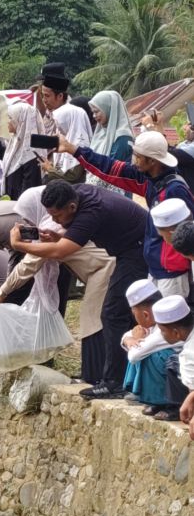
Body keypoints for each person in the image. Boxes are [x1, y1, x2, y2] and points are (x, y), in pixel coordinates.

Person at [10, 180, 148, 399]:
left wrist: (18, 245)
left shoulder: (91, 211)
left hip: (138, 249)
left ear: (71, 208)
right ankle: (130, 376)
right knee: (126, 313)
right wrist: (59, 237)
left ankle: (114, 383)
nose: (54, 221)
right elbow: (69, 241)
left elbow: (58, 252)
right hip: (127, 249)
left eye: (57, 216)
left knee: (112, 313)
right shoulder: (77, 195)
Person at [0, 185, 115, 385]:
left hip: (103, 270)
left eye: (28, 217)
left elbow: (28, 265)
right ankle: (100, 375)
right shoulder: (54, 225)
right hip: (99, 269)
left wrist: (2, 292)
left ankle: (95, 377)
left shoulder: (52, 224)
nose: (28, 223)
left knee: (92, 321)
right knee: (102, 320)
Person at [58, 130, 194, 297]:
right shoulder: (149, 179)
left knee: (172, 319)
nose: (133, 160)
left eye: (137, 156)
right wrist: (75, 150)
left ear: (152, 161)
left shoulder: (175, 189)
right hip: (156, 266)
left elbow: (188, 233)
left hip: (173, 271)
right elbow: (112, 168)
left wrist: (176, 263)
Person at [121, 280, 182, 417]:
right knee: (144, 351)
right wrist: (129, 339)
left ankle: (172, 404)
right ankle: (156, 401)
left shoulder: (163, 328)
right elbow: (129, 335)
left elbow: (134, 356)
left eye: (135, 314)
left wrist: (134, 341)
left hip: (184, 370)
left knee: (154, 356)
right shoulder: (154, 322)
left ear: (145, 315)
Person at [0, 103, 43, 200]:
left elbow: (27, 194)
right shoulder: (17, 141)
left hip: (20, 208)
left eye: (10, 118)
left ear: (20, 121)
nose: (8, 122)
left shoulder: (31, 154)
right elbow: (8, 158)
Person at [39, 66, 92, 173]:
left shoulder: (72, 115)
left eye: (47, 96)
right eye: (42, 96)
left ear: (59, 96)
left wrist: (51, 170)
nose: (44, 100)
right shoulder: (48, 116)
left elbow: (74, 172)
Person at [155, 296, 194, 425]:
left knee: (173, 362)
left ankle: (175, 408)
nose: (161, 335)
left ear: (176, 333)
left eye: (162, 331)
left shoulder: (188, 353)